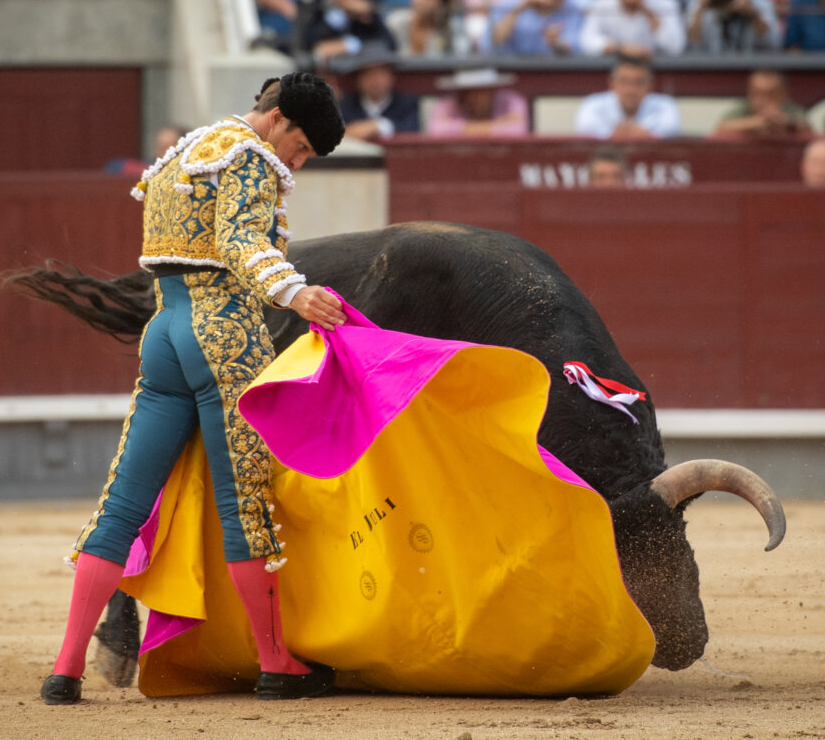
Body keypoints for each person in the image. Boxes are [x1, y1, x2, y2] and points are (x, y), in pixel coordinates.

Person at [38, 72, 348, 706]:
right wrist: (296, 292)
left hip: (165, 329)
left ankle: (64, 669)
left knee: (121, 504)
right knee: (245, 504)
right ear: (281, 119)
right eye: (303, 149)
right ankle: (274, 662)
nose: (297, 163)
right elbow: (239, 243)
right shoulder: (253, 158)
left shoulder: (186, 149)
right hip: (225, 334)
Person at [302, 0, 397, 62]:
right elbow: (309, 45)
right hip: (330, 67)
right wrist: (334, 20)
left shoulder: (366, 12)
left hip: (364, 65)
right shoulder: (316, 8)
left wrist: (368, 20)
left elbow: (390, 45)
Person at [574, 55, 682, 139]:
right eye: (624, 82)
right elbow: (586, 128)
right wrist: (640, 134)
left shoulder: (666, 105)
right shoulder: (592, 105)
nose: (631, 90)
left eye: (638, 82)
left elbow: (671, 129)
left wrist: (623, 134)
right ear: (612, 84)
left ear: (650, 85)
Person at [337, 46, 421, 139]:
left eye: (381, 73)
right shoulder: (346, 105)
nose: (375, 80)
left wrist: (377, 126)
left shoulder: (407, 103)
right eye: (368, 74)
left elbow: (412, 131)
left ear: (391, 77)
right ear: (358, 79)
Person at [384, 0, 470, 56]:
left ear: (442, 2)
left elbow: (462, 59)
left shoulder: (451, 29)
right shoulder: (395, 23)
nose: (421, 0)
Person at [425, 67, 530, 137]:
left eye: (482, 91)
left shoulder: (510, 100)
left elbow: (519, 129)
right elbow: (436, 129)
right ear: (462, 93)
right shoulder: (449, 102)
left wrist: (463, 129)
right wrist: (495, 125)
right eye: (471, 91)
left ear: (492, 90)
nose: (477, 97)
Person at [713, 69, 810, 138]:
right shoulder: (743, 108)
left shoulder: (791, 109)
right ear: (750, 93)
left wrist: (787, 125)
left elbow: (808, 130)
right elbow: (721, 129)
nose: (763, 100)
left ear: (783, 94)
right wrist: (755, 122)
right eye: (757, 93)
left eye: (771, 94)